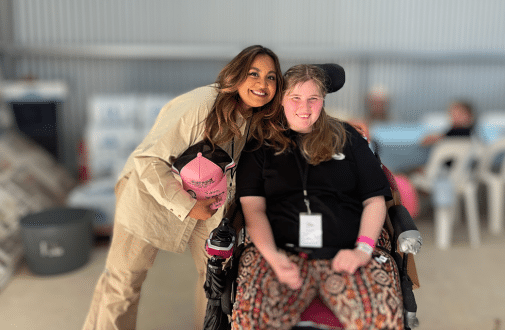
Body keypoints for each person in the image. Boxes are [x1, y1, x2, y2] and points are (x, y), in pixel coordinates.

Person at [82, 45, 284, 330]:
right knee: (123, 283)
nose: (262, 84)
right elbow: (149, 160)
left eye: (271, 77)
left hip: (208, 202)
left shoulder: (258, 119)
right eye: (254, 73)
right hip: (149, 195)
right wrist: (187, 206)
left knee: (214, 282)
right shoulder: (202, 105)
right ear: (237, 74)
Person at [232, 64, 404, 329]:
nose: (305, 107)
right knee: (251, 319)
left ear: (323, 100)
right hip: (280, 254)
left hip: (346, 253)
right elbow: (252, 208)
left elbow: (374, 200)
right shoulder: (260, 144)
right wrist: (274, 258)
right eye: (295, 98)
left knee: (383, 316)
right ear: (281, 99)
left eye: (313, 99)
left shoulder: (348, 138)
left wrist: (362, 249)